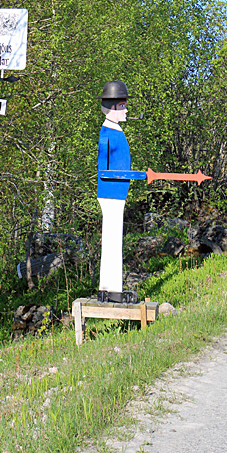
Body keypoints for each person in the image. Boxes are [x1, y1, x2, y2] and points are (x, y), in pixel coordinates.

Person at [97, 80, 139, 303]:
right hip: (110, 193)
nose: (126, 110)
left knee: (115, 239)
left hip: (117, 193)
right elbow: (104, 170)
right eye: (122, 106)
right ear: (112, 108)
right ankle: (110, 290)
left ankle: (111, 288)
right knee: (112, 240)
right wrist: (136, 175)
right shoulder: (107, 134)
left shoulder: (115, 132)